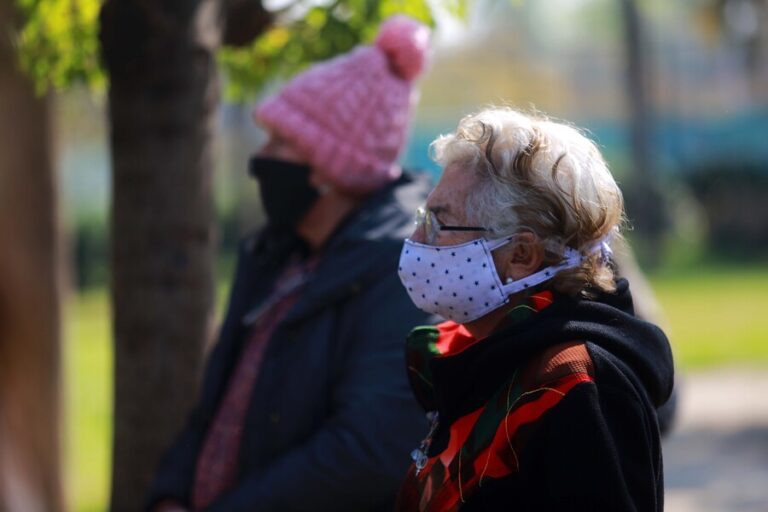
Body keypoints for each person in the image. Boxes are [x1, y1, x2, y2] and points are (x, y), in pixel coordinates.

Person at [147, 15, 435, 512]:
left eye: (283, 143)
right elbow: (213, 407)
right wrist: (170, 494)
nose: (264, 157)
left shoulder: (402, 273)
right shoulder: (274, 255)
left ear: (331, 169)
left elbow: (367, 450)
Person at [395, 107, 674, 511]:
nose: (416, 238)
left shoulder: (575, 383)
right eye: (423, 217)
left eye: (439, 223)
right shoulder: (482, 354)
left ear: (521, 255)